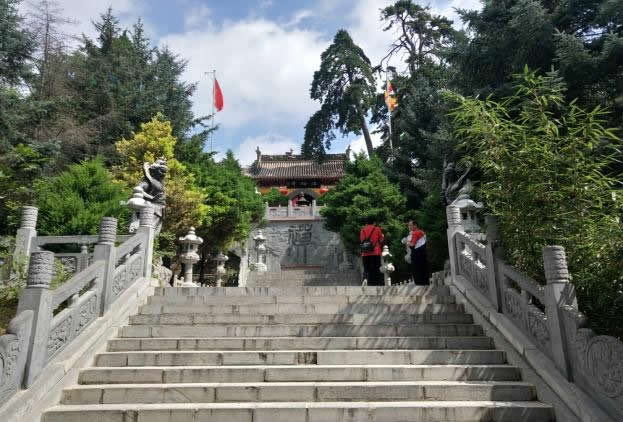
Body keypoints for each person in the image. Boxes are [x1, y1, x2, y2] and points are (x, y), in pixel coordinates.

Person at [360, 217, 385, 286]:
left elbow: (362, 240)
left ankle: (366, 279)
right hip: (375, 252)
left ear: (366, 222)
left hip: (365, 252)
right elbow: (381, 239)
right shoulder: (377, 229)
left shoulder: (362, 230)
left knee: (367, 268)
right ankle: (376, 283)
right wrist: (382, 237)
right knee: (376, 268)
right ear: (374, 222)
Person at [407, 220, 429, 285]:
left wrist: (407, 242)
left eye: (410, 225)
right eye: (408, 225)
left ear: (415, 225)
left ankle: (419, 286)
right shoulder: (422, 232)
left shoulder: (415, 233)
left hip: (416, 255)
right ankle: (426, 285)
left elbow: (412, 244)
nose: (409, 227)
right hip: (423, 253)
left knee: (417, 271)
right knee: (424, 270)